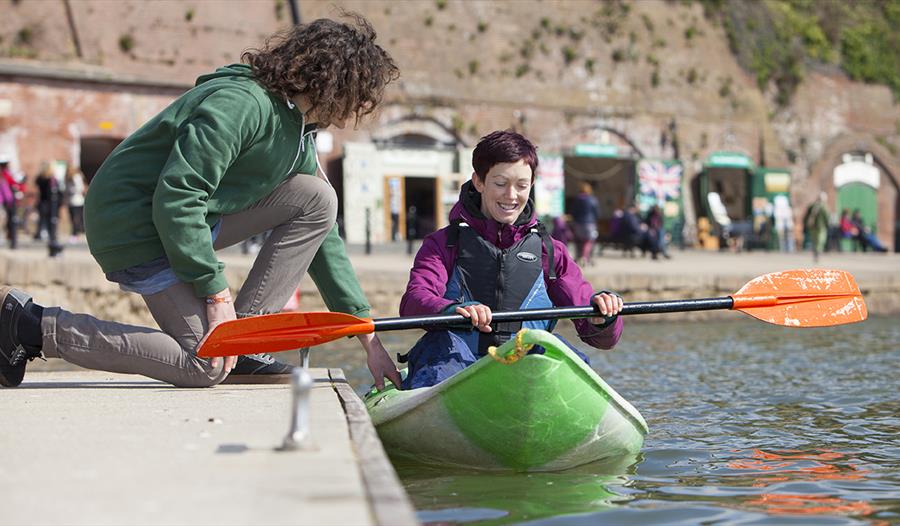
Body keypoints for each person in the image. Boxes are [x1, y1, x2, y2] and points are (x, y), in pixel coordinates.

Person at [0, 13, 402, 389]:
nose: (352, 113)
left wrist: (366, 335)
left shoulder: (301, 131)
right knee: (204, 365)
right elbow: (178, 196)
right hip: (132, 223)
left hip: (181, 220)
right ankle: (31, 325)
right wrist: (216, 294)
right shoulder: (241, 105)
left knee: (317, 198)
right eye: (356, 99)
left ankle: (244, 346)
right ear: (335, 86)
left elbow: (322, 234)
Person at [397, 131, 624, 389]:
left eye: (521, 185)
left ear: (532, 184)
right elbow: (413, 301)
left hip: (525, 364)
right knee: (440, 349)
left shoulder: (551, 251)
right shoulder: (443, 244)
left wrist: (602, 317)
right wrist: (452, 310)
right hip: (457, 361)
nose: (511, 196)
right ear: (479, 182)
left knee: (561, 351)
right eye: (500, 183)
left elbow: (601, 338)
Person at [570, 182, 600, 266]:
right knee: (588, 241)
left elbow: (573, 212)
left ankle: (578, 257)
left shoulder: (577, 199)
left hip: (578, 223)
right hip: (590, 224)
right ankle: (584, 257)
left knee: (578, 241)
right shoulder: (593, 200)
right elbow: (597, 213)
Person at [0, 157, 23, 249]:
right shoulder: (4, 176)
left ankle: (10, 240)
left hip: (6, 202)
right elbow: (6, 192)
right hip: (4, 203)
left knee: (9, 222)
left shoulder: (6, 175)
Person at [803, 192, 829, 262]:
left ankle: (815, 253)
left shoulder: (812, 206)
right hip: (821, 227)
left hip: (812, 226)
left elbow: (806, 217)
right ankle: (817, 253)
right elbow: (826, 217)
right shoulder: (823, 207)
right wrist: (827, 225)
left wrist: (806, 225)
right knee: (820, 241)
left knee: (814, 241)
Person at [64, 165, 87, 241]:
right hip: (71, 201)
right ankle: (76, 232)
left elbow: (79, 188)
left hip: (77, 201)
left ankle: (75, 233)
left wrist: (71, 191)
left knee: (76, 218)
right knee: (72, 218)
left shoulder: (77, 177)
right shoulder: (68, 178)